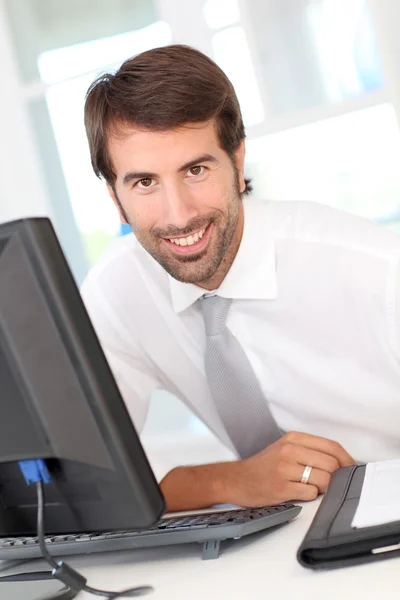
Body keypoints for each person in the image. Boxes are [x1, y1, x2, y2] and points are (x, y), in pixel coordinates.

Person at [81, 44, 400, 512]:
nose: (178, 215)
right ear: (115, 196)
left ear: (237, 159)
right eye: (144, 182)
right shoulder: (119, 290)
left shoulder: (371, 267)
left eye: (195, 170)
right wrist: (228, 482)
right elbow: (84, 479)